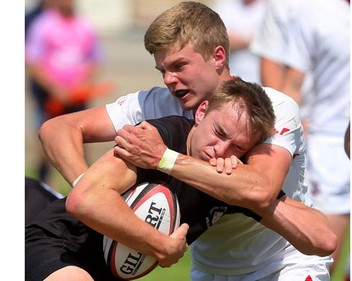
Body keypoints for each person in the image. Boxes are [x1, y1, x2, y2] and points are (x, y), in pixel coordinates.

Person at [38, 2, 335, 280]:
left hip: (282, 264)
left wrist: (163, 158)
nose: (168, 79)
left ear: (218, 57)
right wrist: (90, 190)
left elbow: (260, 189)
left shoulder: (270, 108)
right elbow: (58, 129)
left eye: (179, 66)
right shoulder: (159, 103)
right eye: (162, 70)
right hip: (212, 268)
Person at [27, 77, 283, 280]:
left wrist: (252, 183)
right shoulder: (157, 138)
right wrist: (161, 245)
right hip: (59, 245)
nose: (221, 149)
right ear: (202, 112)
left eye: (237, 147)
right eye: (219, 132)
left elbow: (321, 239)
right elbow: (83, 200)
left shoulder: (227, 178)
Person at [251, 0, 350, 278]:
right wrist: (283, 129)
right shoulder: (316, 12)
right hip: (329, 148)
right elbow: (289, 85)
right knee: (324, 257)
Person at [25, 0, 103, 183]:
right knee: (46, 140)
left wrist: (80, 85)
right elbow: (33, 61)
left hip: (77, 95)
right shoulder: (43, 24)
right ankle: (43, 185)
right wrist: (55, 88)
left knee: (82, 141)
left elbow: (95, 60)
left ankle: (87, 186)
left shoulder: (84, 25)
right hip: (49, 96)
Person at [211, 0, 266, 83]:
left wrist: (236, 39)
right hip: (230, 78)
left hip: (258, 79)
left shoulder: (269, 8)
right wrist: (248, 40)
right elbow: (216, 39)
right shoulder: (226, 5)